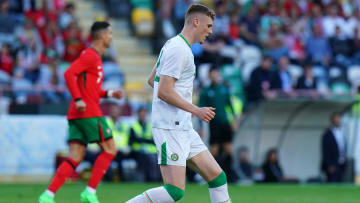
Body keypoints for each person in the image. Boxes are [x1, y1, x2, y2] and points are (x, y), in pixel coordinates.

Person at [127, 4, 231, 203]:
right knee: (174, 192)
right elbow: (164, 90)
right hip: (169, 128)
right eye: (208, 26)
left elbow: (153, 80)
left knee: (218, 177)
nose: (210, 31)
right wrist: (195, 110)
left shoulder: (173, 44)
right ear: (196, 21)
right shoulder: (179, 50)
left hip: (182, 127)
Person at [39, 21, 123, 203]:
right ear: (101, 36)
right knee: (110, 149)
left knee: (75, 156)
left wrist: (109, 93)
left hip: (77, 113)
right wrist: (78, 99)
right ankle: (90, 192)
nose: (111, 38)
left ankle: (48, 195)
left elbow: (91, 90)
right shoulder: (91, 55)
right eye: (109, 34)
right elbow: (69, 73)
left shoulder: (95, 58)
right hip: (89, 112)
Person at [199, 67, 237, 182]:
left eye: (216, 73)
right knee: (214, 150)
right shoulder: (206, 91)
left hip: (225, 123)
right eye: (212, 74)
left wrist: (234, 121)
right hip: (214, 124)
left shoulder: (224, 89)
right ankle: (212, 176)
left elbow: (230, 106)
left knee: (228, 149)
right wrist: (201, 127)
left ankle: (230, 176)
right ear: (209, 76)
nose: (214, 76)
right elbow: (200, 109)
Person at [129, 106, 160, 182]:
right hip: (137, 150)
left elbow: (154, 140)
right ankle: (150, 178)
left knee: (157, 158)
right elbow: (133, 140)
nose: (142, 115)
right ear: (138, 114)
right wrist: (146, 140)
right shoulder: (133, 126)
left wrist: (142, 139)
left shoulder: (150, 126)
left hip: (151, 151)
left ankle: (156, 178)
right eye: (141, 113)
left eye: (144, 113)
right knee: (148, 158)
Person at [321, 112, 347, 182]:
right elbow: (325, 150)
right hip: (332, 165)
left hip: (341, 164)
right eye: (336, 118)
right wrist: (329, 164)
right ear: (332, 120)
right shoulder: (328, 134)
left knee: (340, 183)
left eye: (339, 118)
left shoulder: (342, 132)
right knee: (332, 182)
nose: (338, 120)